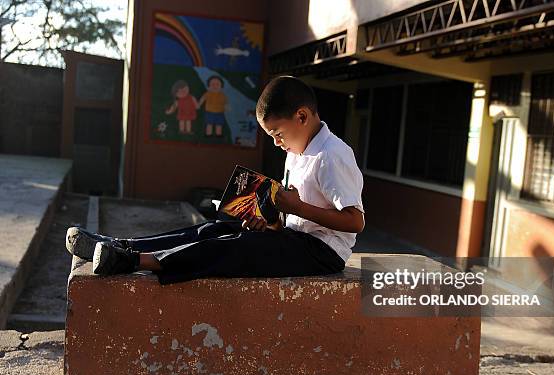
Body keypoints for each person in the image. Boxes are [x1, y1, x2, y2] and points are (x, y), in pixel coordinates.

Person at [65, 76, 365, 284]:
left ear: (302, 117)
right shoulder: (297, 151)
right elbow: (289, 219)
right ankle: (123, 245)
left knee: (239, 248)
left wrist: (297, 209)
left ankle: (135, 262)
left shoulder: (333, 154)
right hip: (295, 238)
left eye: (278, 135)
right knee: (214, 228)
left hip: (323, 252)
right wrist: (269, 220)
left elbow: (355, 222)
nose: (277, 143)